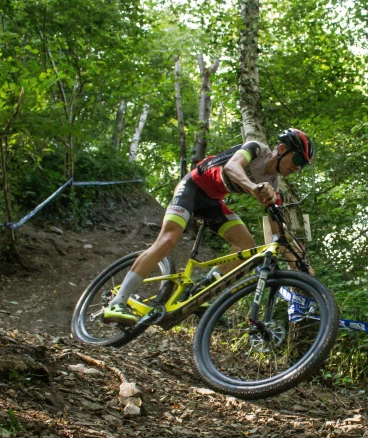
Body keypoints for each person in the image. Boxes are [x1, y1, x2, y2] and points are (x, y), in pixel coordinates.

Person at [103, 128, 315, 325]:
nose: (297, 167)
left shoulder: (273, 185)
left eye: (303, 165)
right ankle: (118, 301)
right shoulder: (256, 149)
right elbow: (232, 167)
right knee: (168, 240)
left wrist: (300, 268)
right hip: (192, 188)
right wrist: (253, 188)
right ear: (281, 149)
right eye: (297, 159)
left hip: (212, 202)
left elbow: (278, 234)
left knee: (247, 248)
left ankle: (200, 291)